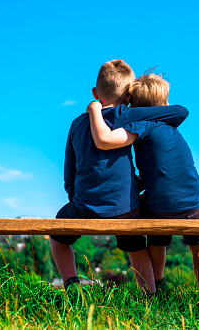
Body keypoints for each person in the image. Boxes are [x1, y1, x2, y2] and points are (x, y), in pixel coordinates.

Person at [49, 60, 188, 294]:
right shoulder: (129, 115)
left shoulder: (77, 124)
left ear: (95, 92)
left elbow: (69, 169)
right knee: (136, 248)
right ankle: (151, 295)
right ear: (128, 96)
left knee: (57, 237)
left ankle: (71, 282)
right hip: (126, 207)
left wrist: (76, 197)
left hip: (84, 205)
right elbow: (178, 112)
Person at [87, 73, 199, 295]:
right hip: (194, 204)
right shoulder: (171, 128)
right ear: (163, 103)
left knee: (153, 235)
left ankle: (158, 283)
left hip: (159, 207)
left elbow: (107, 141)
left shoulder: (143, 125)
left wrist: (95, 111)